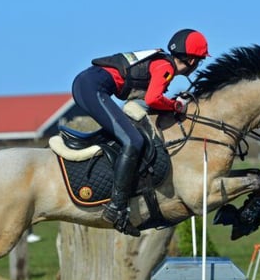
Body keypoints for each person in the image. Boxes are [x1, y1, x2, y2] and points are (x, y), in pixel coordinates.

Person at [71, 29, 210, 236]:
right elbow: (152, 100)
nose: (198, 65)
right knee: (133, 141)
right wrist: (174, 106)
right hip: (92, 88)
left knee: (128, 134)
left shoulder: (162, 63)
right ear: (191, 60)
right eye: (199, 61)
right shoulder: (165, 67)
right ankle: (116, 206)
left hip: (90, 84)